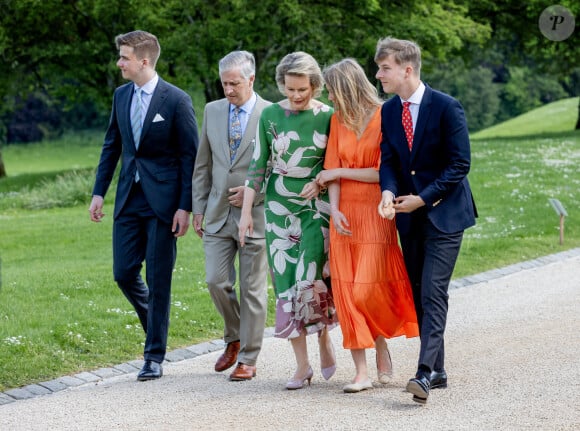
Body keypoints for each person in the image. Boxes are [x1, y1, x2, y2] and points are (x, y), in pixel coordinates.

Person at [89, 30, 198, 381]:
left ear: (144, 61)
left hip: (164, 204)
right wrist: (98, 192)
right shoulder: (121, 96)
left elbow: (189, 157)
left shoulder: (176, 100)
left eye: (124, 57)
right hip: (128, 200)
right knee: (123, 272)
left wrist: (185, 206)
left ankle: (153, 355)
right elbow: (112, 146)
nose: (119, 63)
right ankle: (155, 323)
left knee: (159, 278)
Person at [375, 37, 477, 404]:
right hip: (408, 217)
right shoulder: (388, 111)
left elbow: (459, 165)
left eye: (384, 67)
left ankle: (423, 373)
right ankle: (440, 368)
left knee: (433, 290)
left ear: (407, 69)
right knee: (419, 292)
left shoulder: (447, 107)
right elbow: (388, 159)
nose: (378, 74)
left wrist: (424, 197)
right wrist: (388, 191)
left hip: (445, 214)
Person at [316, 58, 419, 393]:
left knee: (366, 288)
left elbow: (382, 172)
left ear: (345, 87)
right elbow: (330, 167)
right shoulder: (337, 120)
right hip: (344, 214)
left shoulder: (383, 115)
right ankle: (360, 372)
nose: (330, 97)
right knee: (347, 292)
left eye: (332, 90)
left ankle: (380, 340)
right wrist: (333, 210)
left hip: (376, 211)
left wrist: (338, 173)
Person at [238, 51, 338, 390]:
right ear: (282, 84)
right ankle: (301, 365)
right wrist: (245, 215)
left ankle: (323, 338)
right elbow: (257, 166)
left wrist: (321, 179)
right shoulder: (269, 115)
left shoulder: (329, 117)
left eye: (303, 89)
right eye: (290, 88)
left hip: (316, 210)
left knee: (310, 280)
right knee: (285, 286)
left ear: (315, 86)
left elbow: (336, 163)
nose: (296, 96)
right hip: (278, 213)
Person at [192, 51, 270, 381]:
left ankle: (249, 358)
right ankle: (234, 337)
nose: (228, 90)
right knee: (215, 280)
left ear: (251, 79)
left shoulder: (272, 113)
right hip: (217, 213)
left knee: (253, 289)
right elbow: (203, 165)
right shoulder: (212, 111)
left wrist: (255, 195)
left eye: (234, 83)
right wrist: (198, 208)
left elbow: (279, 168)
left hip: (257, 215)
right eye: (224, 83)